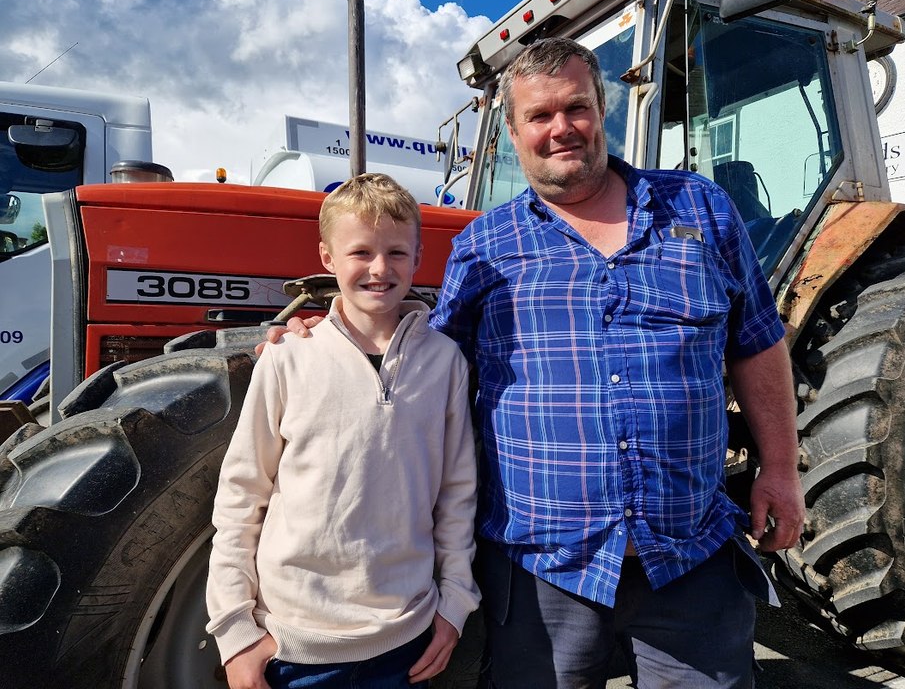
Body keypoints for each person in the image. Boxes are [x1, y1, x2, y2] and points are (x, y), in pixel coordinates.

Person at [275, 38, 804, 688]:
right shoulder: (485, 247)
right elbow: (427, 366)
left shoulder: (700, 209)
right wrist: (330, 333)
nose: (560, 129)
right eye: (539, 115)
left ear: (601, 109)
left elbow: (755, 339)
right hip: (543, 575)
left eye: (575, 107)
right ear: (512, 130)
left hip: (689, 560)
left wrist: (779, 470)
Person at [208, 172, 481, 689]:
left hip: (407, 640)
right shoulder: (288, 357)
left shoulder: (444, 361)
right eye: (361, 253)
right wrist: (235, 631)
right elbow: (242, 496)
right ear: (327, 259)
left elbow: (456, 494)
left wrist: (455, 605)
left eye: (397, 253)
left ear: (419, 257)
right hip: (294, 645)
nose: (380, 269)